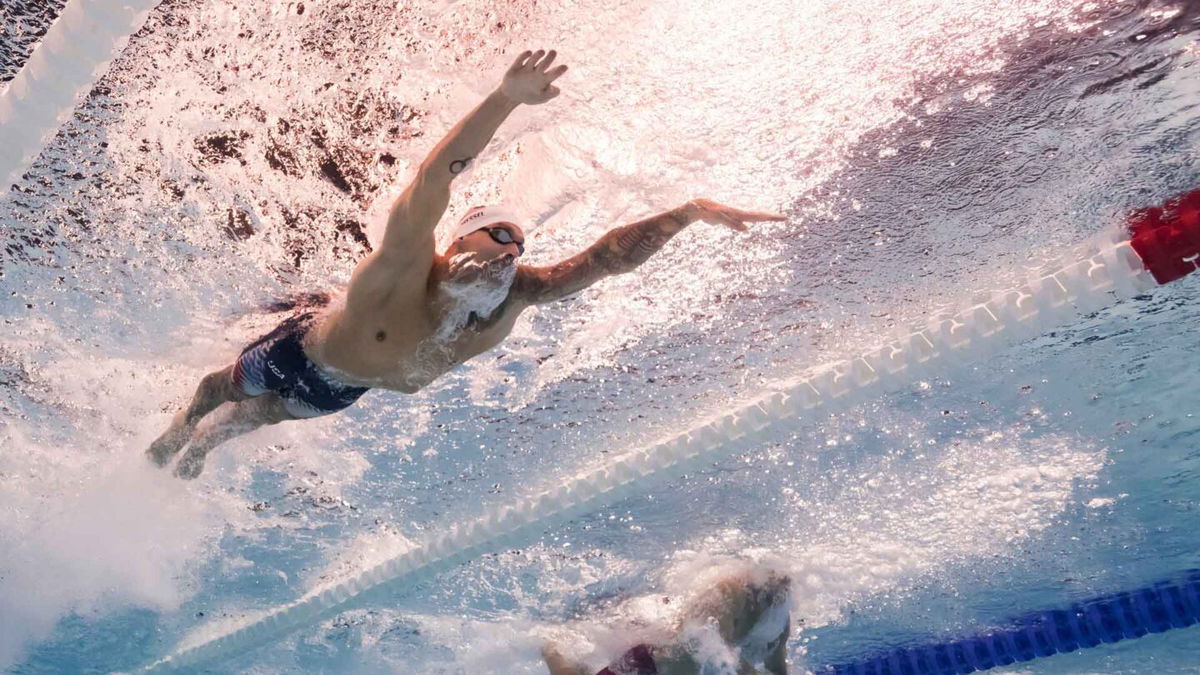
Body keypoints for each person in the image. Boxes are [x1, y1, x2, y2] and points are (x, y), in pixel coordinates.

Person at [145, 47, 787, 478]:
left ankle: (206, 444)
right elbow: (434, 177)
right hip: (301, 353)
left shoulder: (520, 294)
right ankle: (180, 429)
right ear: (458, 243)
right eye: (501, 236)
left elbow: (607, 258)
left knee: (252, 422)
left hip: (341, 392)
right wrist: (505, 98)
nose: (514, 250)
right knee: (225, 390)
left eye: (520, 244)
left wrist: (688, 212)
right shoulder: (403, 264)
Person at [541, 567, 793, 674]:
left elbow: (776, 667)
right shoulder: (728, 592)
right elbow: (711, 648)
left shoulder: (778, 622)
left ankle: (552, 646)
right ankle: (549, 644)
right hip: (659, 664)